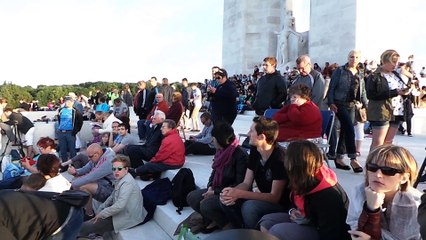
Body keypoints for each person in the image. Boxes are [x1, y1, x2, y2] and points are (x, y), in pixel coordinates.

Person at [259, 140, 351, 240]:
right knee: (266, 222)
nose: (284, 161)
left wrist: (307, 220)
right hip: (306, 220)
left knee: (278, 230)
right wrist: (292, 211)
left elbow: (331, 232)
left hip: (322, 231)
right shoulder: (300, 178)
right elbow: (291, 202)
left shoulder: (327, 194)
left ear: (296, 164)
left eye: (287, 158)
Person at [219, 116, 290, 229]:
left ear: (262, 137)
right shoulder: (255, 151)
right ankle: (241, 230)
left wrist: (239, 194)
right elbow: (247, 183)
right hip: (263, 197)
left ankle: (253, 234)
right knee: (226, 200)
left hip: (281, 205)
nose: (248, 133)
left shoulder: (279, 159)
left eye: (252, 130)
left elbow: (275, 197)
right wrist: (233, 192)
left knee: (250, 207)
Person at [347, 145, 421, 240]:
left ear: (404, 178)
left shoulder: (417, 205)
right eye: (372, 167)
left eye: (388, 171)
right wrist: (371, 208)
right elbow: (357, 232)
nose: (378, 175)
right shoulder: (360, 192)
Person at [187, 121, 248, 232]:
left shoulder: (240, 155)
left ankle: (227, 226)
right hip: (217, 188)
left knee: (205, 205)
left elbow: (239, 183)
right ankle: (213, 219)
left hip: (231, 193)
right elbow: (214, 172)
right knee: (192, 197)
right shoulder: (220, 151)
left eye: (213, 138)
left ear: (220, 139)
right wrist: (210, 187)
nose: (212, 140)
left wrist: (215, 192)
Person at [79, 155, 145, 237]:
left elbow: (120, 206)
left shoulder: (127, 183)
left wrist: (102, 213)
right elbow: (112, 196)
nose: (116, 171)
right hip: (122, 212)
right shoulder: (121, 178)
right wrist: (101, 208)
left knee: (84, 226)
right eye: (114, 169)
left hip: (128, 217)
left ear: (126, 169)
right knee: (91, 222)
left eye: (119, 169)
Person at [327, 50, 365, 172]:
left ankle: (339, 158)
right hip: (339, 103)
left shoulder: (360, 73)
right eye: (351, 57)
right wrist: (331, 102)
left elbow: (362, 90)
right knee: (349, 128)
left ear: (359, 59)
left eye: (356, 57)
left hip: (352, 104)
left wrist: (365, 104)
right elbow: (332, 87)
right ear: (348, 58)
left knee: (345, 130)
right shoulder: (340, 71)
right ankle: (353, 158)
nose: (354, 59)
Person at [366, 49, 410, 151]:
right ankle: (371, 165)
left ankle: (383, 164)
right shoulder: (375, 76)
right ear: (385, 61)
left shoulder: (396, 74)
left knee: (388, 143)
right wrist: (395, 92)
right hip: (381, 112)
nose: (396, 65)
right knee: (378, 143)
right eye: (393, 62)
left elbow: (400, 89)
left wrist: (405, 92)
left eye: (397, 62)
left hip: (397, 111)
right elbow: (371, 95)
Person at [67, 143, 116, 219]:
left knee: (85, 186)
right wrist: (75, 172)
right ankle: (81, 207)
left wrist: (69, 185)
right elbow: (86, 168)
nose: (88, 159)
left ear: (97, 154)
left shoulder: (108, 161)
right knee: (77, 181)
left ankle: (89, 214)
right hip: (103, 183)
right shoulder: (97, 156)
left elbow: (90, 177)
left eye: (90, 157)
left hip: (113, 191)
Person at [56, 96, 84, 162]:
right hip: (61, 132)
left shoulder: (75, 111)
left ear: (72, 102)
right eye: (66, 101)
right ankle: (64, 165)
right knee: (63, 150)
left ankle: (74, 165)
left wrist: (75, 131)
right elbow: (59, 120)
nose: (67, 103)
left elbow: (80, 122)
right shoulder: (61, 110)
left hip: (70, 133)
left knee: (72, 150)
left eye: (69, 102)